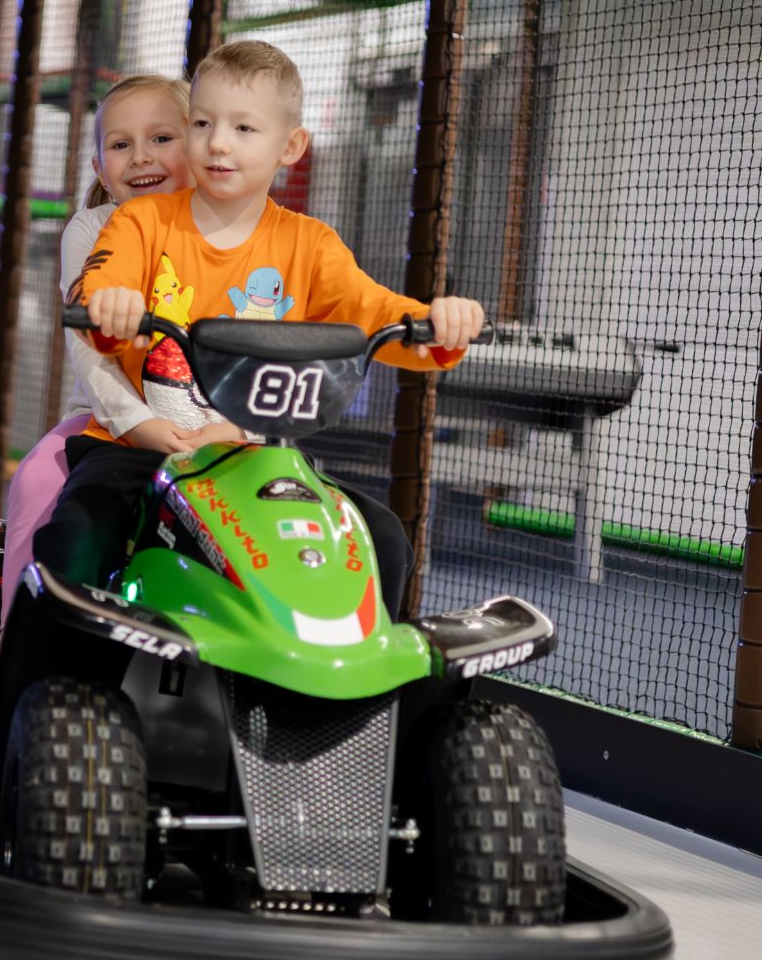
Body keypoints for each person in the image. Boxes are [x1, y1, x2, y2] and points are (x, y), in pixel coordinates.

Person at [55, 39, 486, 635]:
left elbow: (373, 312)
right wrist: (110, 303)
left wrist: (438, 322)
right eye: (202, 124)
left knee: (381, 536)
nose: (218, 143)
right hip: (131, 451)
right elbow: (103, 283)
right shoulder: (140, 222)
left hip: (253, 453)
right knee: (77, 533)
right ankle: (44, 680)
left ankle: (353, 684)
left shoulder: (309, 244)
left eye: (243, 128)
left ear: (290, 146)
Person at [0, 73, 193, 780]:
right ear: (99, 165)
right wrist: (140, 424)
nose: (142, 156)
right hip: (110, 420)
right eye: (121, 144)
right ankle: (3, 701)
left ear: (198, 145)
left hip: (214, 436)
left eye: (161, 138)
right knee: (42, 489)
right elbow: (95, 359)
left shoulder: (229, 232)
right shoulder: (93, 230)